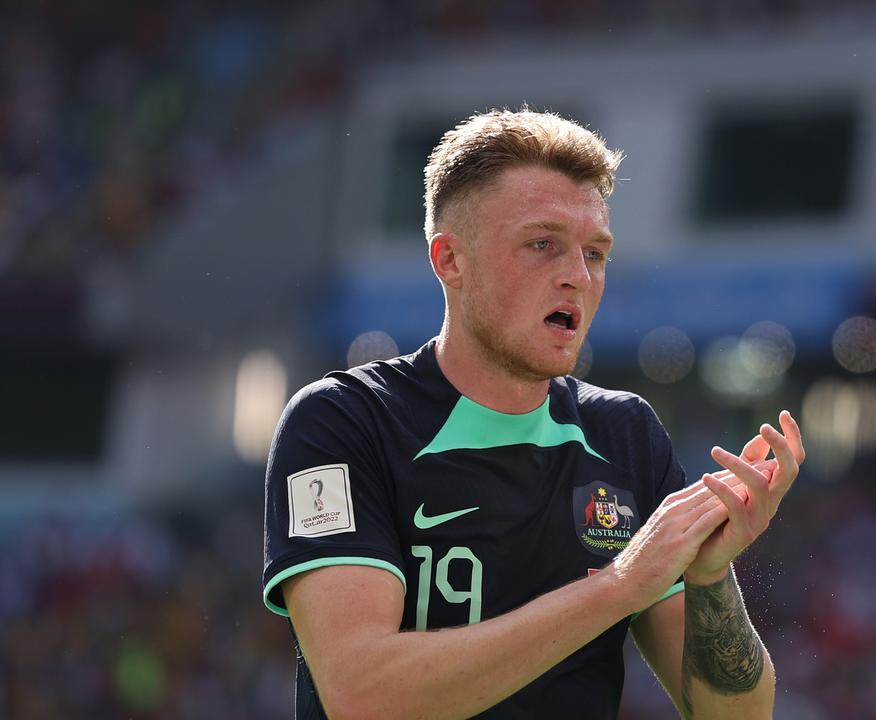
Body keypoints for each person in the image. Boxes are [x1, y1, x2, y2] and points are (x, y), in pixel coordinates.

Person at [262, 108, 805, 719]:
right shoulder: (343, 422)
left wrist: (710, 578)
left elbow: (736, 716)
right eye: (542, 244)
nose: (577, 276)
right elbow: (365, 698)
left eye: (595, 253)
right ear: (450, 261)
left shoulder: (625, 434)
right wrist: (618, 587)